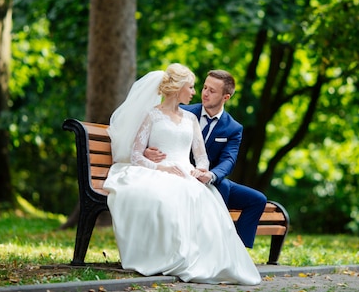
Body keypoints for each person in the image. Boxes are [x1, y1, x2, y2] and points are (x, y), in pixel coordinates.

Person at [103, 63, 261, 285]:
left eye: (209, 90)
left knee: (207, 197)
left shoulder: (207, 122)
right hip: (161, 170)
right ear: (179, 88)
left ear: (225, 97)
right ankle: (172, 257)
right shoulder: (155, 114)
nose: (200, 93)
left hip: (191, 172)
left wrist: (202, 170)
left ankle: (217, 256)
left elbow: (208, 156)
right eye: (198, 87)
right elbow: (137, 152)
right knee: (171, 196)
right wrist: (154, 160)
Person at [145, 69, 267, 249]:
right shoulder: (182, 111)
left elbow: (229, 159)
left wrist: (211, 175)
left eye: (212, 91)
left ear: (225, 97)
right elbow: (158, 137)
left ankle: (237, 250)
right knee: (222, 187)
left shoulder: (233, 128)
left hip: (212, 178)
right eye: (204, 88)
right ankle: (215, 246)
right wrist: (147, 151)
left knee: (257, 199)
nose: (205, 93)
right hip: (179, 175)